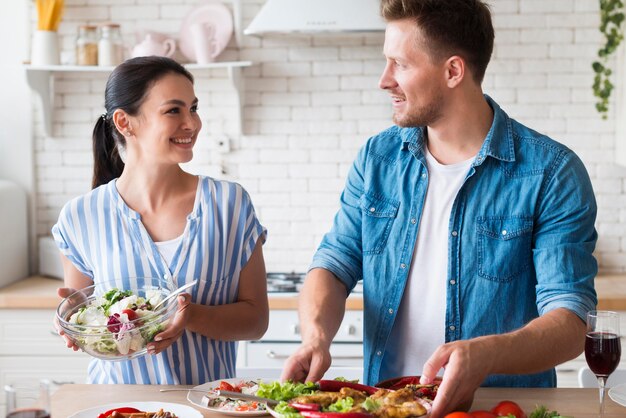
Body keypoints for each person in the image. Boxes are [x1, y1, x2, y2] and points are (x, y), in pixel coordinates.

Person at [281, 0, 598, 415]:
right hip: (384, 405)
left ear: (453, 71)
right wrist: (316, 337)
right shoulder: (378, 159)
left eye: (400, 65)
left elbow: (572, 320)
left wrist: (488, 353)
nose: (384, 80)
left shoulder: (551, 172)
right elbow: (335, 262)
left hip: (496, 408)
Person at [52, 56, 269, 385]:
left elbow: (255, 320)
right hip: (120, 406)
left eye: (193, 108)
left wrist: (191, 316)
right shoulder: (81, 216)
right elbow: (84, 319)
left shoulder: (229, 204)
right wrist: (77, 324)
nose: (192, 123)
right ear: (125, 122)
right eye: (174, 110)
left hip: (206, 405)